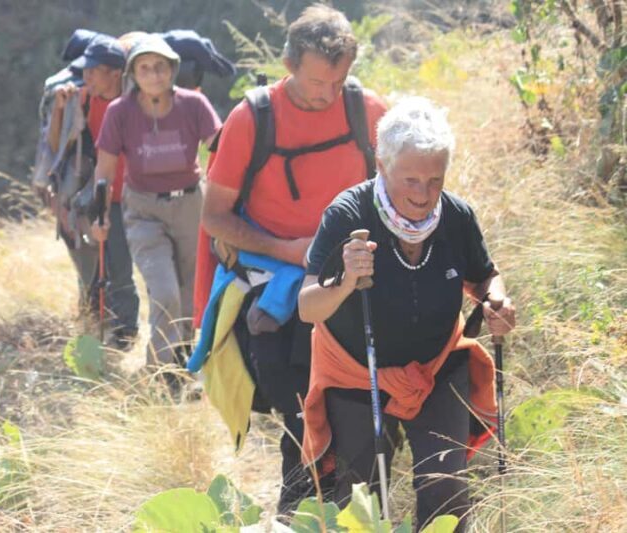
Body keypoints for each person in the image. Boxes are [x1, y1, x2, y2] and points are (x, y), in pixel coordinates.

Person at [200, 5, 387, 515]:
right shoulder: (252, 118)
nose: (328, 94)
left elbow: (402, 194)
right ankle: (303, 514)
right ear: (288, 64)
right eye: (316, 82)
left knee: (360, 412)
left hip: (355, 281)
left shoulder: (366, 111)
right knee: (302, 412)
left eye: (339, 79)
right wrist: (289, 250)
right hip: (277, 287)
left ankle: (348, 511)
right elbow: (214, 217)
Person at [298, 97, 516, 530]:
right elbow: (307, 307)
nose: (423, 194)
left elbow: (486, 277)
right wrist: (344, 282)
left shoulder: (454, 216)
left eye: (435, 180)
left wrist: (497, 302)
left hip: (437, 364)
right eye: (411, 179)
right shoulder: (348, 215)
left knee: (446, 483)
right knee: (360, 494)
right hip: (358, 371)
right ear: (381, 164)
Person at [94, 35, 222, 369]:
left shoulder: (194, 105)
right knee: (165, 292)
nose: (154, 75)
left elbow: (220, 149)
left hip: (191, 206)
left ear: (173, 69)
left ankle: (182, 363)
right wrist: (101, 214)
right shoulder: (119, 112)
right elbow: (105, 169)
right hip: (143, 211)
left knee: (189, 291)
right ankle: (160, 370)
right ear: (133, 74)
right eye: (145, 68)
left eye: (160, 67)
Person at [46, 34, 140, 348]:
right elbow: (57, 145)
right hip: (107, 197)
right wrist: (60, 110)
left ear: (115, 73)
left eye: (92, 71)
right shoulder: (83, 98)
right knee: (116, 269)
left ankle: (148, 332)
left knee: (142, 268)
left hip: (141, 195)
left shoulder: (136, 99)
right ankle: (124, 335)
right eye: (84, 71)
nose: (85, 77)